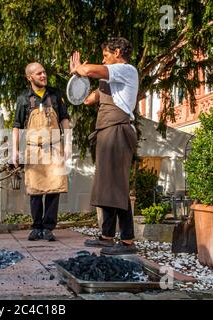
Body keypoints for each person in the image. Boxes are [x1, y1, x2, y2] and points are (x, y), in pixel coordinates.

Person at [69, 37, 139, 254]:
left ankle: (127, 241)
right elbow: (88, 99)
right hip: (107, 131)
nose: (104, 59)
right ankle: (107, 236)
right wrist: (76, 77)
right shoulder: (111, 80)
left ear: (118, 52)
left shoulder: (125, 70)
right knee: (106, 185)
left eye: (106, 55)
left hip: (118, 130)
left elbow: (90, 70)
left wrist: (81, 69)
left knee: (117, 185)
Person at [12, 62, 72, 241]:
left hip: (54, 148)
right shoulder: (24, 98)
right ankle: (36, 226)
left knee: (54, 189)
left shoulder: (55, 95)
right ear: (30, 77)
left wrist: (68, 144)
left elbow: (64, 120)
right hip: (33, 149)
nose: (43, 75)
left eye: (44, 72)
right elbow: (16, 126)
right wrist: (14, 151)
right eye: (39, 74)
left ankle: (48, 228)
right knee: (35, 190)